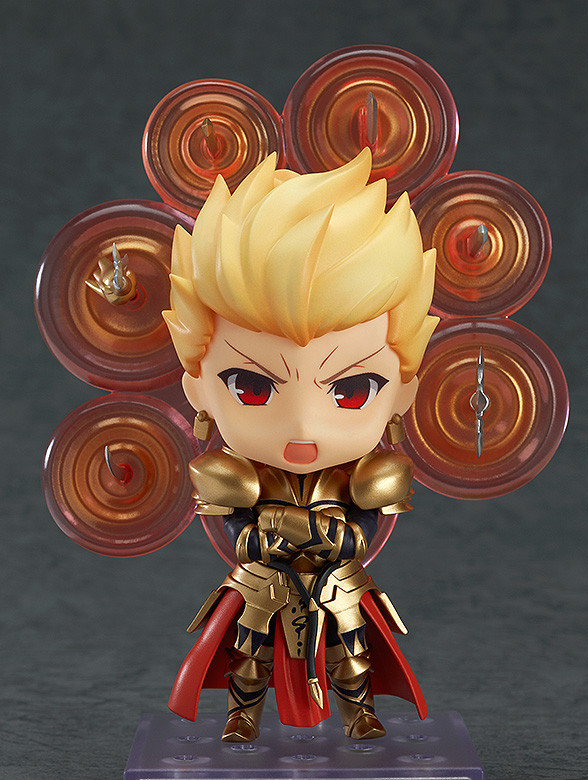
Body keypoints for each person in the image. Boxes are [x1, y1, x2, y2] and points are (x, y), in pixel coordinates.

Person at [163, 148, 438, 742]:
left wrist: (326, 535)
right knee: (250, 646)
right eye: (253, 386)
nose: (304, 426)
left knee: (350, 642)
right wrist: (269, 534)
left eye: (351, 389)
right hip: (264, 576)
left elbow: (362, 531)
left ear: (404, 389)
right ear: (197, 386)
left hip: (336, 576)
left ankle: (359, 711)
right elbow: (238, 532)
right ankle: (242, 715)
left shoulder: (361, 477)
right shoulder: (237, 475)